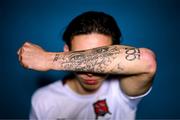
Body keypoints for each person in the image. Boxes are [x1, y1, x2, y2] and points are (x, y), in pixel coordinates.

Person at [17, 11, 157, 120]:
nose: (90, 72)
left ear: (115, 52)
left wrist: (47, 59)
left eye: (100, 55)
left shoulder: (121, 90)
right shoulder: (44, 99)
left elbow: (147, 61)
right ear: (67, 52)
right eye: (80, 56)